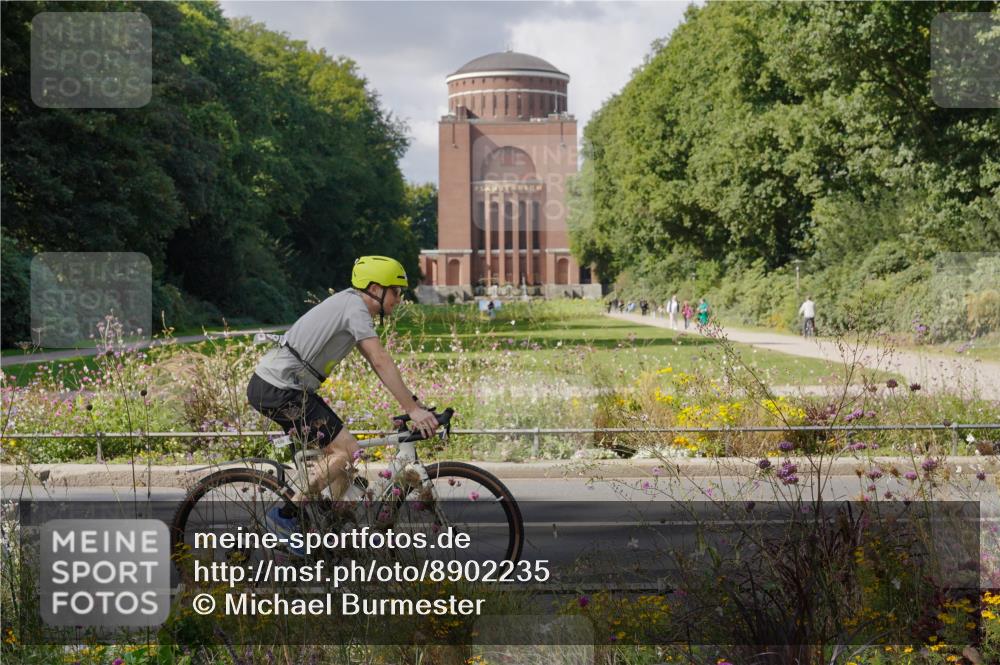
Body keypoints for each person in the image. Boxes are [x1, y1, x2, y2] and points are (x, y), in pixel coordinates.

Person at [246, 256, 439, 550]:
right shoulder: (355, 308)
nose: (399, 300)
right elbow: (380, 359)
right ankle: (284, 516)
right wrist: (414, 410)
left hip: (289, 388)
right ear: (376, 288)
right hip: (278, 388)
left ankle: (334, 528)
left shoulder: (351, 306)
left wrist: (414, 403)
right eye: (396, 291)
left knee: (345, 468)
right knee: (348, 450)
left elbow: (377, 365)